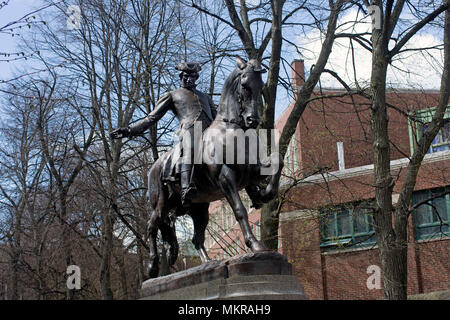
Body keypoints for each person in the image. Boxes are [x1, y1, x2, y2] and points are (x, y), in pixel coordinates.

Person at [111, 62, 217, 207]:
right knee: (191, 143)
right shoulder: (172, 95)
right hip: (190, 130)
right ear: (181, 76)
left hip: (211, 132)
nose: (190, 79)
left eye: (193, 76)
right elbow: (151, 118)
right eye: (187, 76)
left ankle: (252, 186)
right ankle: (186, 186)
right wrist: (130, 130)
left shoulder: (205, 96)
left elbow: (217, 117)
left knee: (234, 146)